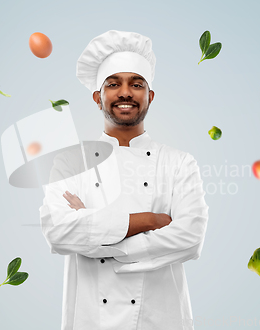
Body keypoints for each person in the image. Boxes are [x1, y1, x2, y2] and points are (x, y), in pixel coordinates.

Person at [39, 30, 209, 330]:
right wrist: (148, 220)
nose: (125, 92)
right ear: (98, 97)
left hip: (160, 319)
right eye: (113, 84)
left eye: (137, 84)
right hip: (91, 319)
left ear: (150, 96)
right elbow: (58, 232)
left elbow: (191, 238)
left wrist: (94, 233)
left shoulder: (179, 163)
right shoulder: (70, 162)